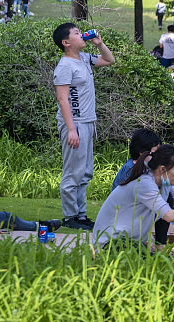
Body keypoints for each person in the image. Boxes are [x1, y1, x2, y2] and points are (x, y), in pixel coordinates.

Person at [93, 144, 174, 252]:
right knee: (155, 264)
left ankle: (159, 247)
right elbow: (169, 215)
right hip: (110, 242)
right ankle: (158, 248)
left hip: (132, 242)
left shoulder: (164, 183)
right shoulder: (144, 183)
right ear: (163, 169)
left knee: (160, 261)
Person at [52, 23, 115, 230]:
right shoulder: (64, 66)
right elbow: (63, 100)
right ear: (66, 42)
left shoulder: (85, 59)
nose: (82, 35)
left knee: (85, 172)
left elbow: (108, 60)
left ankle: (80, 215)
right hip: (75, 124)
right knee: (73, 172)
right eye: (77, 33)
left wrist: (99, 43)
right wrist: (71, 129)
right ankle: (70, 216)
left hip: (88, 122)